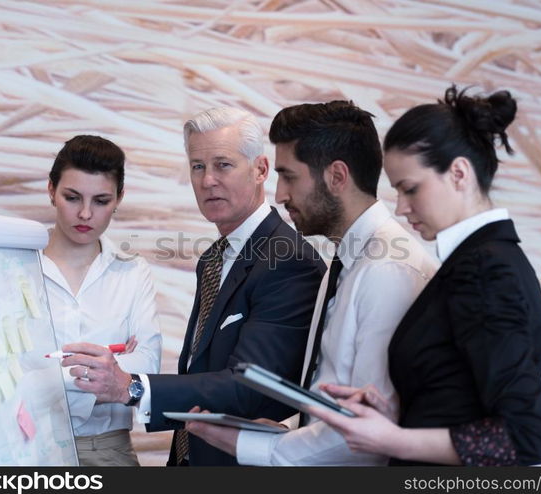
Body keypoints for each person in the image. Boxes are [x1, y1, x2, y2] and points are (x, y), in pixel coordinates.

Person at [61, 108, 326, 466]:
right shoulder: (215, 257)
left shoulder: (289, 260)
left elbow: (251, 387)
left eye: (223, 165)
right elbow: (200, 373)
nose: (208, 181)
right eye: (198, 167)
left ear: (261, 169)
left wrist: (131, 386)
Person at [307, 85, 541, 466]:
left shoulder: (485, 268)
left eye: (410, 189)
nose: (401, 208)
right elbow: (458, 398)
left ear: (458, 173)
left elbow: (523, 438)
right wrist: (391, 411)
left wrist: (395, 440)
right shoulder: (474, 261)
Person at [185, 101, 438, 465]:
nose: (281, 195)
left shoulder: (388, 271)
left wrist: (256, 447)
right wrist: (287, 436)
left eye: (289, 177)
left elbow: (367, 431)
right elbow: (336, 410)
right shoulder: (349, 263)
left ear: (336, 177)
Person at [42, 135, 162, 466]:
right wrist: (108, 372)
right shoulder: (14, 267)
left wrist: (50, 374)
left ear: (119, 198)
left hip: (108, 452)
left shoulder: (133, 271)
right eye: (72, 197)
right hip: (28, 445)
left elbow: (148, 366)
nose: (84, 213)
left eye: (101, 200)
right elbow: (4, 370)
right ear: (51, 190)